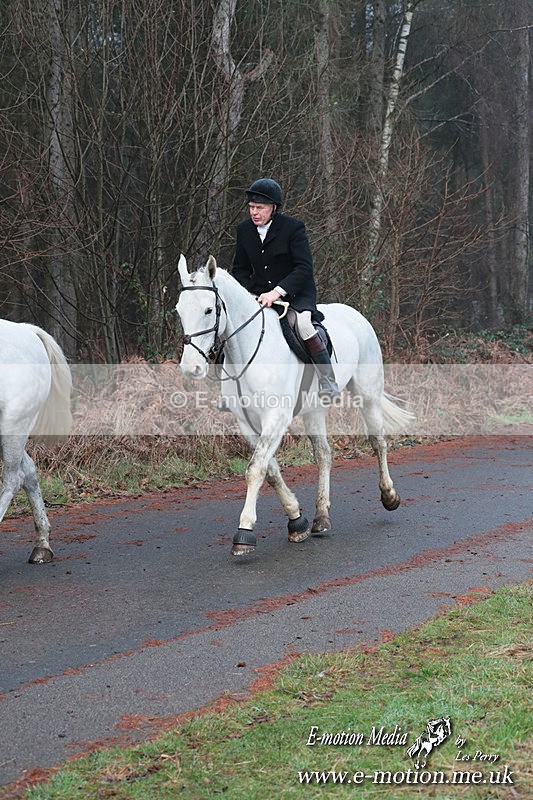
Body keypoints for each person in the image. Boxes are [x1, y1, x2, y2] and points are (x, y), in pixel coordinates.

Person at [232, 178, 340, 401]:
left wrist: (278, 292)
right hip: (259, 296)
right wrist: (250, 293)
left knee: (303, 325)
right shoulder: (244, 230)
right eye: (251, 207)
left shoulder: (293, 228)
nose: (254, 212)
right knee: (233, 327)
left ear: (274, 208)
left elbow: (303, 268)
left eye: (259, 208)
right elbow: (240, 270)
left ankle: (328, 382)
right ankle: (230, 389)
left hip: (296, 294)